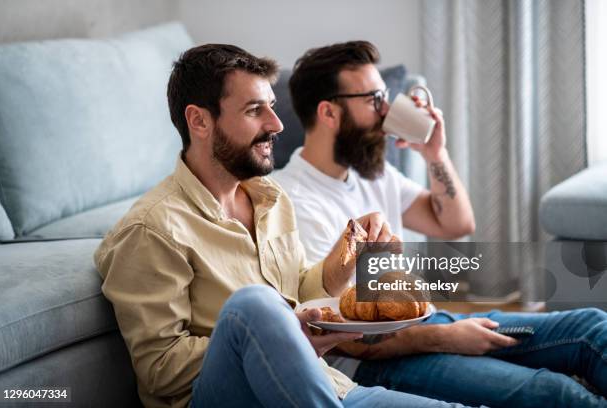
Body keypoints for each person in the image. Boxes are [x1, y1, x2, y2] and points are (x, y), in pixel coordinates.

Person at [93, 44, 476, 408]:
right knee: (254, 305)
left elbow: (298, 293)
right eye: (254, 110)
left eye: (272, 107)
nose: (276, 124)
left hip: (324, 385)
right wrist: (280, 335)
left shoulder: (269, 198)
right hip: (228, 396)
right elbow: (160, 369)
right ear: (199, 120)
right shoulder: (152, 228)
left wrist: (340, 263)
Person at [272, 40, 607, 408]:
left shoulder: (371, 174)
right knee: (555, 393)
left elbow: (456, 223)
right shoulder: (294, 202)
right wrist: (444, 337)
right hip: (368, 363)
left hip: (430, 322)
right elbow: (340, 336)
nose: (386, 111)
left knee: (591, 329)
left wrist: (435, 154)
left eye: (384, 97)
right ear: (329, 113)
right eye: (373, 100)